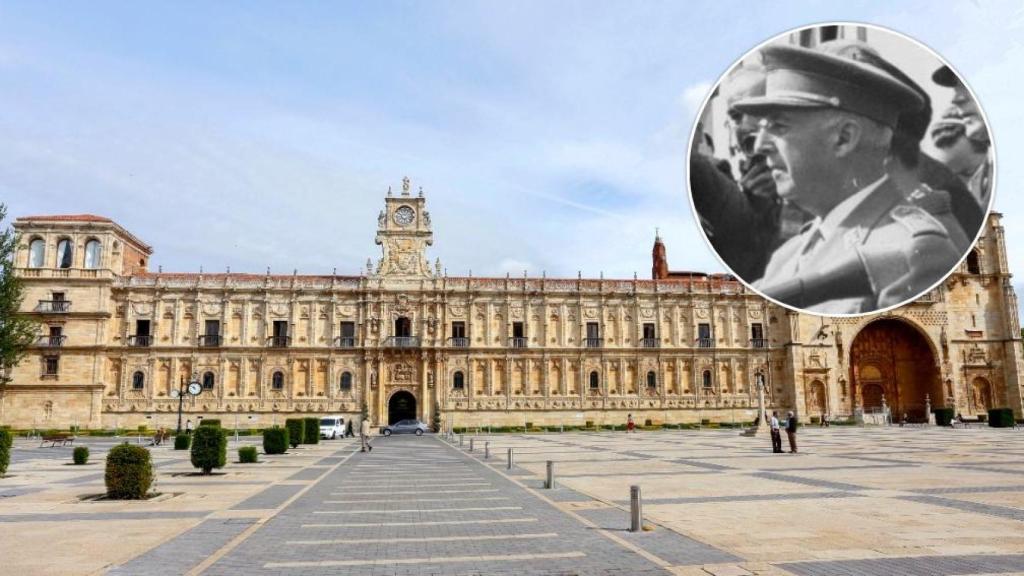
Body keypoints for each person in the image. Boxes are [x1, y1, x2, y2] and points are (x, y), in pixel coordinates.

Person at [734, 44, 962, 313]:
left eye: (779, 126)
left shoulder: (915, 250)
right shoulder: (787, 254)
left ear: (844, 138)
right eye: (761, 129)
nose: (760, 145)